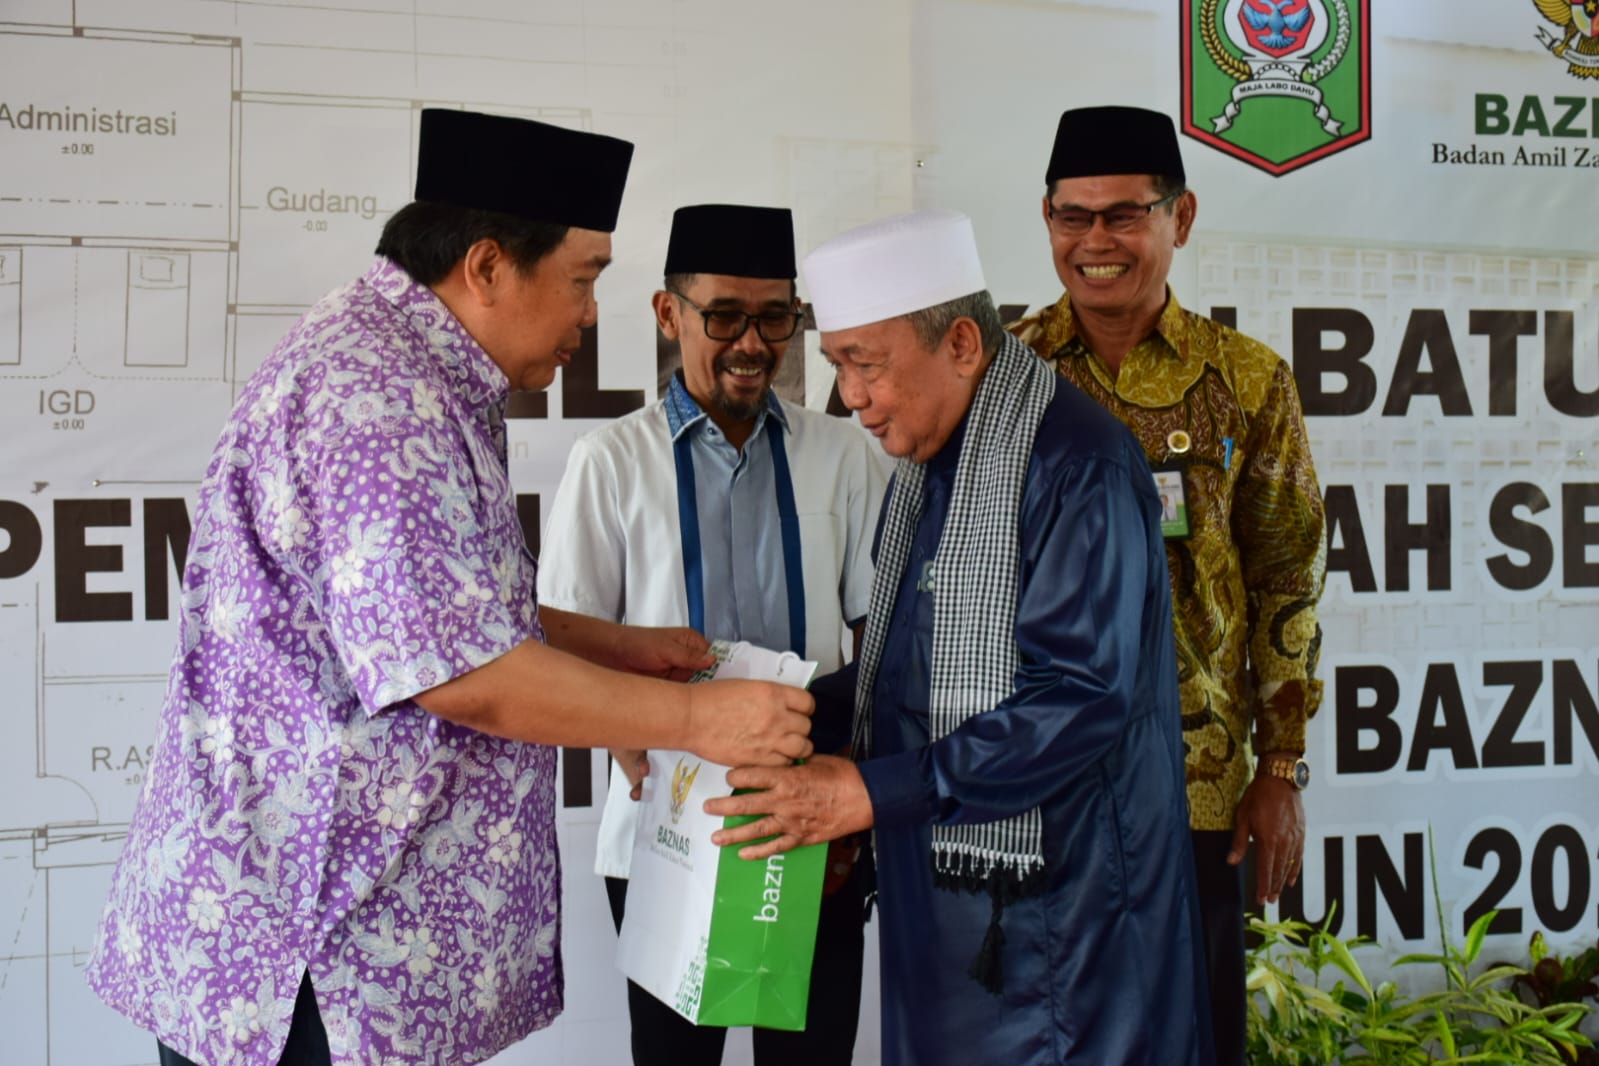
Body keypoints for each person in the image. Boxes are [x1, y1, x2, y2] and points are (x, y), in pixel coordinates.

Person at [84, 109, 815, 1066]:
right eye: (583, 279)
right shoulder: (377, 399)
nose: (590, 315)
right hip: (312, 966)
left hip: (332, 946)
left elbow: (432, 608)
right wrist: (698, 723)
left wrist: (617, 647)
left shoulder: (407, 368)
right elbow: (462, 674)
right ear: (486, 266)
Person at [706, 210, 1214, 1066]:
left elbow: (1079, 698)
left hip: (1064, 921)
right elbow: (904, 678)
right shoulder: (930, 469)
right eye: (837, 367)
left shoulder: (1073, 465)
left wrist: (868, 795)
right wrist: (771, 717)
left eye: (865, 366)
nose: (850, 398)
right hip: (942, 903)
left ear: (964, 345)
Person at [1007, 105, 1327, 1066]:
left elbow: (1286, 582)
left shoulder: (1248, 381)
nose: (1095, 242)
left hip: (1196, 789)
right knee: (1044, 1033)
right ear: (1047, 219)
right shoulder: (999, 374)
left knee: (1195, 1034)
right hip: (1033, 781)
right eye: (1073, 216)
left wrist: (1277, 771)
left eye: (1123, 215)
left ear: (1179, 218)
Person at [538, 203, 887, 1065]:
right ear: (669, 314)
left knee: (809, 1056)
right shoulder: (611, 461)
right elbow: (564, 645)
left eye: (775, 317)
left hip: (815, 821)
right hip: (663, 819)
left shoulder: (843, 455)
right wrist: (625, 733)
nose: (751, 342)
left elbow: (876, 638)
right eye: (723, 315)